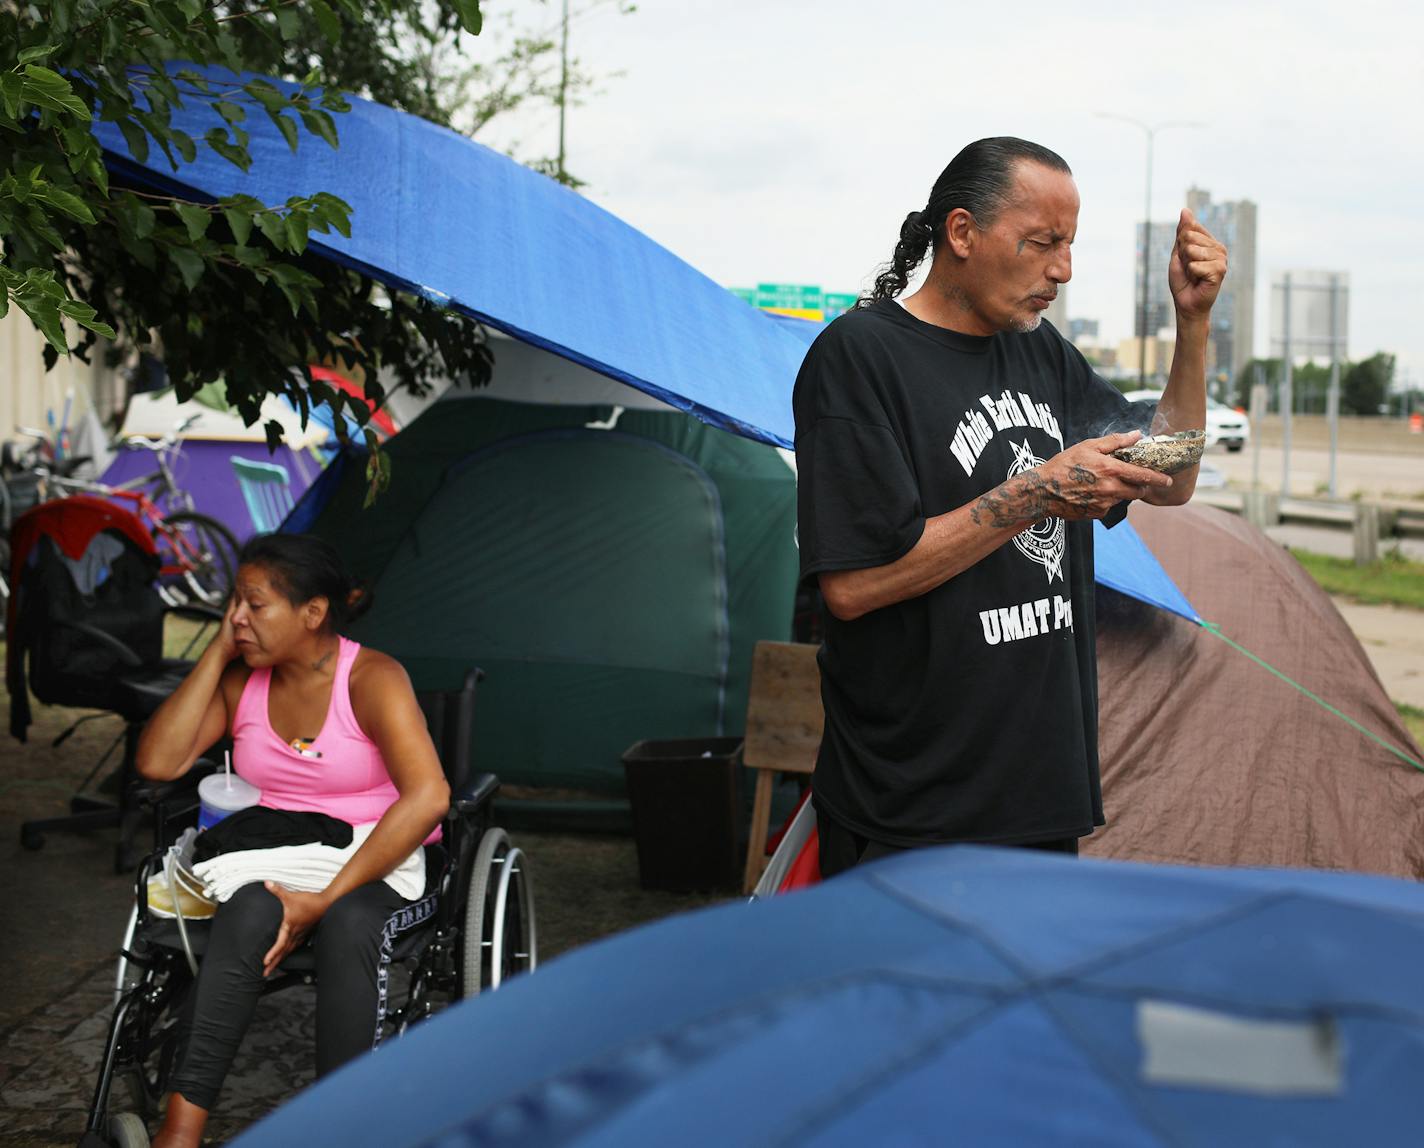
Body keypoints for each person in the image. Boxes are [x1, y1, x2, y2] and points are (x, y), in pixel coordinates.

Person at [793, 137, 1227, 878]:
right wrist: (1034, 493)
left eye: (1069, 246)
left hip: (1040, 794)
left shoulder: (1041, 353)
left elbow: (1173, 474)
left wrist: (1193, 327)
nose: (1061, 269)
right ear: (961, 233)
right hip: (910, 808)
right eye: (1041, 243)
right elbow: (855, 586)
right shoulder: (859, 358)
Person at [136, 533, 450, 1148]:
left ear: (313, 613)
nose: (237, 617)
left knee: (352, 923)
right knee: (249, 906)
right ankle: (180, 1133)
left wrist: (327, 897)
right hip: (280, 851)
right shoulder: (242, 683)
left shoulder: (373, 678)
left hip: (376, 855)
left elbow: (428, 797)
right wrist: (216, 652)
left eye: (254, 604)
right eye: (233, 603)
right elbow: (158, 762)